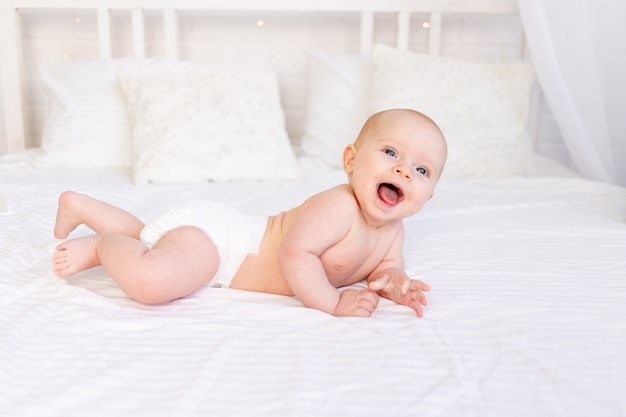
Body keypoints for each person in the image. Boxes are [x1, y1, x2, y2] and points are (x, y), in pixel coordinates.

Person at [53, 108, 447, 317]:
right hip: (223, 245)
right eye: (391, 153)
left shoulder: (393, 231)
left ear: (427, 197)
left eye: (422, 170)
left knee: (148, 240)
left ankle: (82, 206)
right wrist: (332, 303)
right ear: (351, 159)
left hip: (215, 251)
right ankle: (101, 246)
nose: (403, 170)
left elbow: (383, 269)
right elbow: (295, 253)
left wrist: (395, 283)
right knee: (153, 282)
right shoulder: (339, 205)